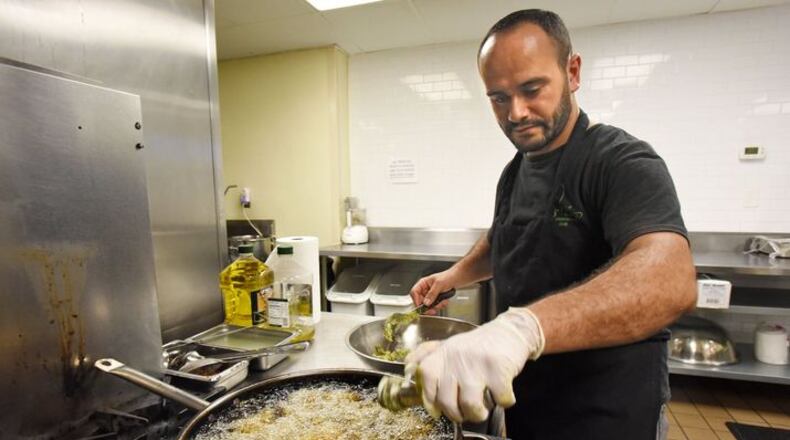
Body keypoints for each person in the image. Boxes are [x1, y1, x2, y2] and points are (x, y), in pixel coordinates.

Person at [407, 9, 697, 440]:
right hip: (530, 400)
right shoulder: (515, 170)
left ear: (572, 71)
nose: (517, 112)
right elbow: (507, 236)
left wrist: (521, 328)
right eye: (499, 98)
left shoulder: (620, 160)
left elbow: (670, 277)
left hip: (608, 410)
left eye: (531, 89)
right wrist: (453, 276)